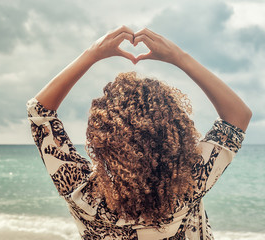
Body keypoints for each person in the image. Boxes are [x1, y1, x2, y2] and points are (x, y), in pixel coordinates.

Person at [27, 26, 252, 239]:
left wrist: (92, 53)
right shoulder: (190, 184)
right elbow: (238, 116)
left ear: (100, 140)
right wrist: (179, 57)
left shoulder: (83, 194)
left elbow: (40, 111)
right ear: (175, 136)